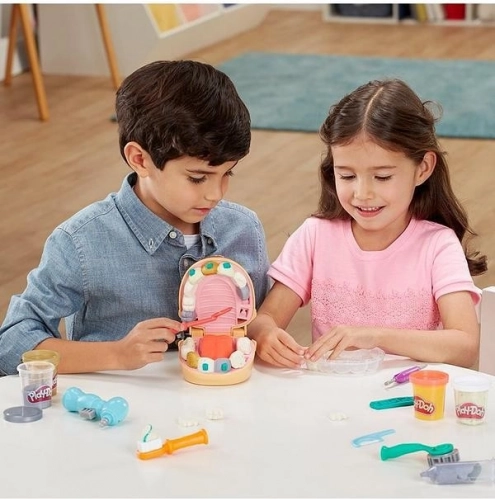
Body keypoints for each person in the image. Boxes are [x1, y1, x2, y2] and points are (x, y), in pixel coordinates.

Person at [0, 60, 271, 375]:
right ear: (140, 159)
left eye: (228, 174)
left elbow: (255, 324)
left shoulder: (242, 229)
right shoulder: (81, 242)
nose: (216, 194)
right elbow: (11, 345)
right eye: (198, 178)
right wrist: (116, 354)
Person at [248, 78, 487, 370]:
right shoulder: (315, 236)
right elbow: (265, 319)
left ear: (423, 168)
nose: (362, 193)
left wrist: (374, 337)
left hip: (411, 394)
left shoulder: (438, 245)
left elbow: (465, 346)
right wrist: (264, 333)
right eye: (347, 176)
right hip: (333, 393)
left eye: (382, 177)